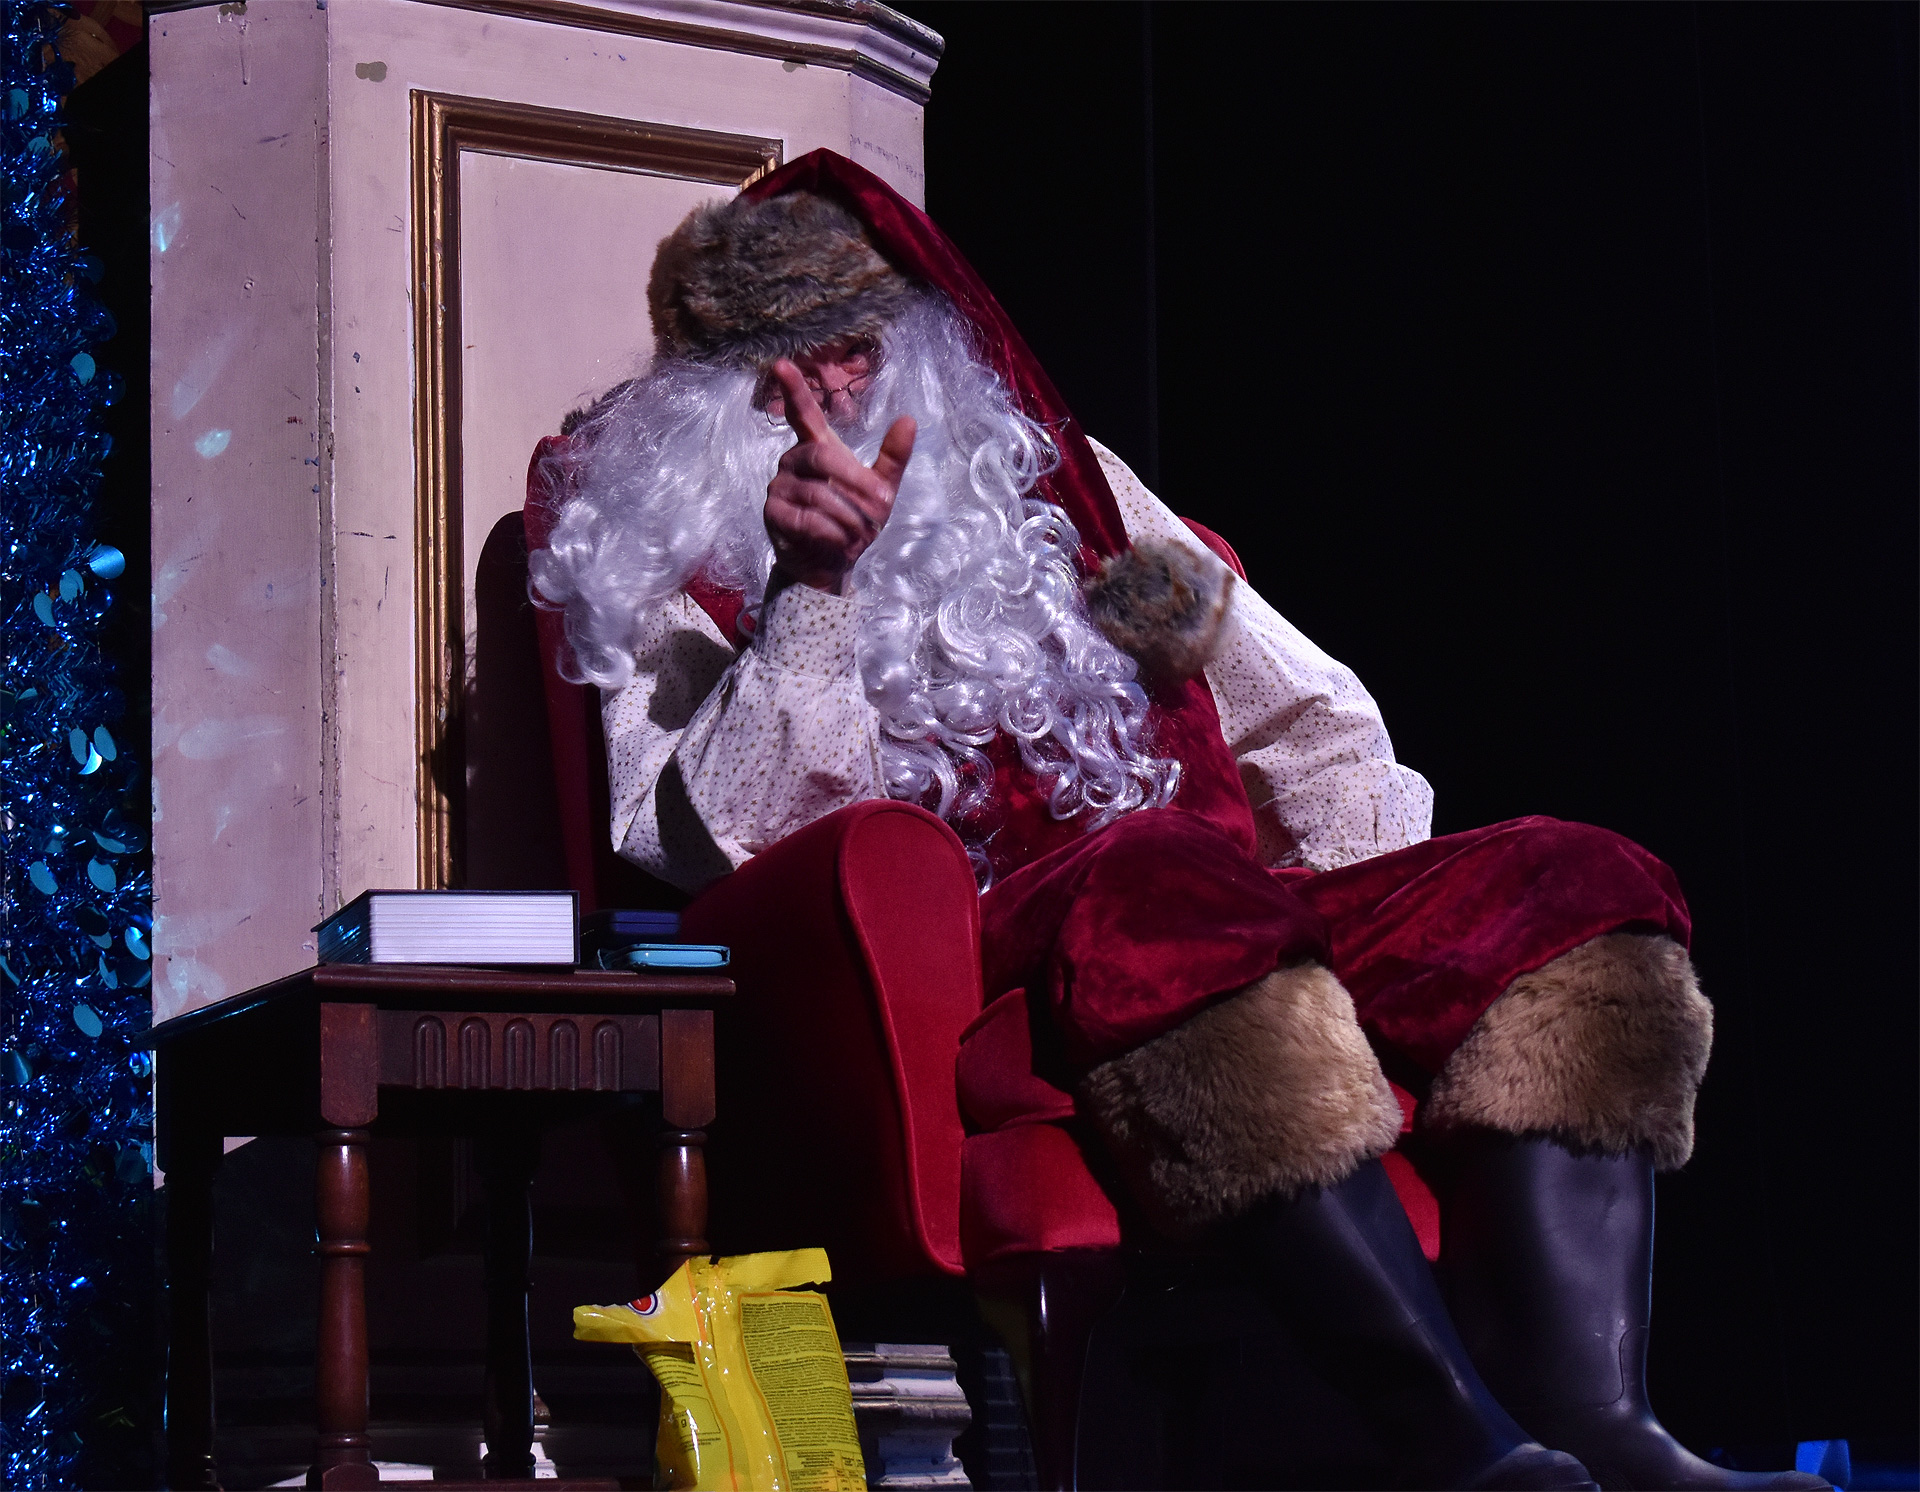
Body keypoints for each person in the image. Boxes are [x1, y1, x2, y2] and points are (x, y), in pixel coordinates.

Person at [531, 151, 1824, 1492]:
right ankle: (1449, 1439)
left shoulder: (1072, 506)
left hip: (1214, 907)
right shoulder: (663, 556)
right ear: (713, 391)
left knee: (1571, 881)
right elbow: (705, 840)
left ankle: (1602, 1421)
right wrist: (812, 586)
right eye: (784, 365)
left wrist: (1380, 958)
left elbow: (1306, 719)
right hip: (990, 952)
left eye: (856, 348)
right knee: (1163, 886)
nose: (832, 395)